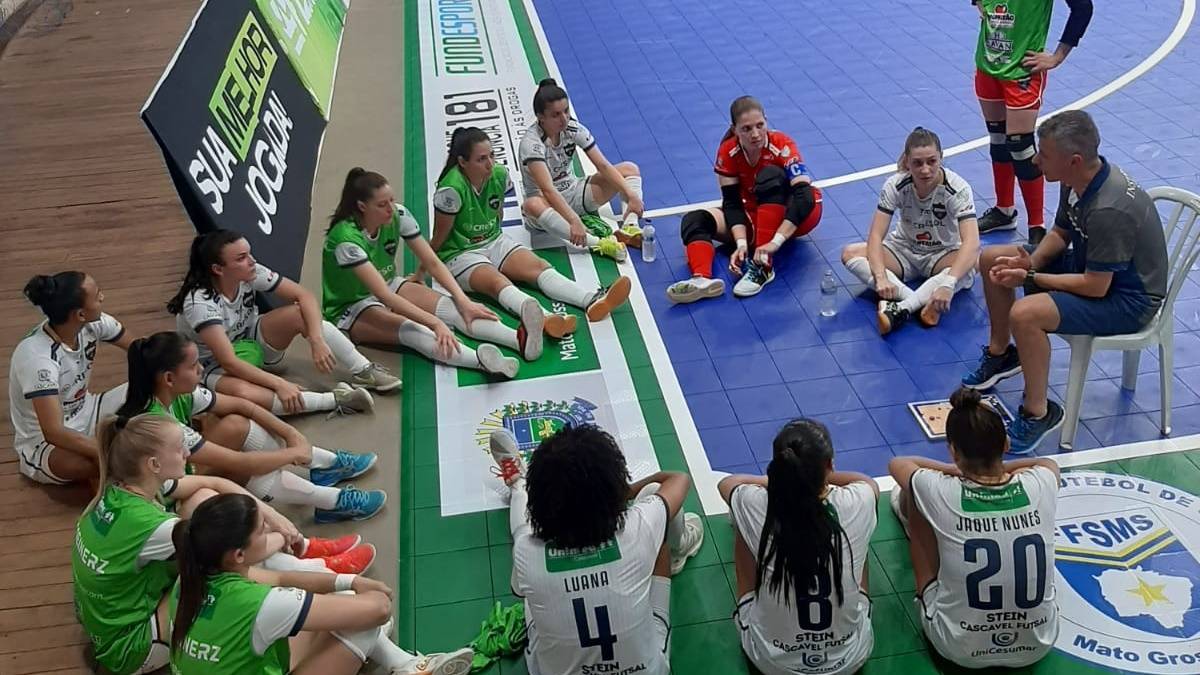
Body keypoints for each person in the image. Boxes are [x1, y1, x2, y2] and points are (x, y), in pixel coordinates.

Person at [73, 414, 361, 675]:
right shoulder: (152, 527)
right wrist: (282, 534)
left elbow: (213, 483)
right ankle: (312, 570)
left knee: (203, 500)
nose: (187, 453)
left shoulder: (125, 486)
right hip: (130, 648)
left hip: (111, 620)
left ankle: (308, 563)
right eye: (178, 448)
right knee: (225, 561)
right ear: (154, 464)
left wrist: (273, 517)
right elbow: (232, 548)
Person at [963, 110, 1168, 453]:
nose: (1036, 160)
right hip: (1096, 269)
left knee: (1025, 314)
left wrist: (1030, 276)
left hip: (1127, 298)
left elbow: (1095, 287)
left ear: (1073, 160)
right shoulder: (1078, 179)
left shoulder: (1108, 208)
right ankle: (1002, 354)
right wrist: (1031, 260)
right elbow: (1061, 231)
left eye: (1043, 154)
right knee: (991, 259)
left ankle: (1039, 411)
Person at [169, 492, 474, 675]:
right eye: (262, 533)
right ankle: (406, 665)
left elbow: (280, 577)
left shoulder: (189, 579)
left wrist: (348, 580)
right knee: (365, 620)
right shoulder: (258, 604)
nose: (269, 536)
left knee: (335, 606)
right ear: (238, 555)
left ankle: (406, 665)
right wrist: (360, 590)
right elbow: (379, 609)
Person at [490, 426, 704, 675]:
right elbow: (678, 479)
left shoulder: (529, 551)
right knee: (656, 503)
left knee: (527, 557)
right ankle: (678, 551)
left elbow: (519, 591)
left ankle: (518, 484)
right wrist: (621, 493)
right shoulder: (637, 528)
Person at [117, 331, 387, 524]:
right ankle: (331, 501)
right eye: (193, 366)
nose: (201, 369)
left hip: (178, 474)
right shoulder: (160, 425)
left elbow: (244, 407)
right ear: (169, 378)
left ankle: (325, 465)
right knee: (243, 470)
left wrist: (293, 435)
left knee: (237, 425)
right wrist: (293, 454)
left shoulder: (176, 393)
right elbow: (238, 462)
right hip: (169, 505)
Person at [888, 387, 1061, 669]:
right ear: (1005, 444)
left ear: (954, 452)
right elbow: (1047, 463)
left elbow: (899, 464)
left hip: (959, 648)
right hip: (1038, 644)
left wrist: (955, 471)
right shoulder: (1041, 481)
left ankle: (924, 592)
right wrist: (1001, 470)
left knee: (917, 498)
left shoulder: (939, 489)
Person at [323, 167, 530, 378]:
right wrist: (435, 323)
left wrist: (463, 300)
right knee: (416, 331)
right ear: (362, 207)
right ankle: (482, 362)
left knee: (454, 308)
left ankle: (520, 340)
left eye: (392, 200)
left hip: (389, 283)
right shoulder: (345, 241)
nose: (390, 209)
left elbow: (432, 261)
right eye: (382, 205)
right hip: (352, 307)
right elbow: (384, 296)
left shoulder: (398, 215)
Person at [166, 230, 383, 418]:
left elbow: (304, 295)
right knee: (243, 393)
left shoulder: (251, 271)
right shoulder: (200, 303)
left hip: (252, 340)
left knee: (300, 314)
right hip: (214, 367)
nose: (252, 261)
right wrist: (279, 384)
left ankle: (365, 370)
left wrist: (316, 339)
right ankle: (337, 400)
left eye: (249, 253)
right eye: (241, 258)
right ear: (218, 269)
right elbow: (229, 362)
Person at [718, 420, 877, 675]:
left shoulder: (756, 504)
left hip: (772, 663)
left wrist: (782, 481)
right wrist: (815, 477)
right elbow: (867, 483)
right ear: (829, 465)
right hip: (847, 660)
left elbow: (727, 484)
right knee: (859, 530)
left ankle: (747, 601)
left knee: (740, 519)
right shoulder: (858, 501)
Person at [434, 127, 632, 332]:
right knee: (497, 282)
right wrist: (427, 268)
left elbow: (497, 214)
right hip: (460, 254)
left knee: (539, 267)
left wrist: (497, 246)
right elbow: (440, 235)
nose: (490, 163)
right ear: (462, 162)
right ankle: (546, 319)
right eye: (481, 159)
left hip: (493, 240)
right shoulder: (450, 191)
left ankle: (591, 300)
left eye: (492, 155)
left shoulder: (499, 175)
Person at [668, 96, 823, 302]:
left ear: (767, 121)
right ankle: (701, 279)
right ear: (734, 130)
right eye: (747, 129)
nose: (756, 134)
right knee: (694, 220)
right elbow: (731, 203)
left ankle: (762, 266)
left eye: (760, 125)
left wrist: (775, 243)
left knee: (770, 176)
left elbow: (804, 197)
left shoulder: (782, 144)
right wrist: (740, 243)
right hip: (757, 214)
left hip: (799, 213)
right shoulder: (728, 151)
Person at [972, 0, 1094, 243]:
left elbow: (1083, 7)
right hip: (988, 63)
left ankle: (1036, 225)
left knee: (1020, 146)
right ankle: (1004, 210)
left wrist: (1057, 57)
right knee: (998, 139)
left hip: (1022, 70)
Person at [840, 127, 981, 334]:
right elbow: (876, 236)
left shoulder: (958, 189)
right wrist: (880, 276)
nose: (925, 170)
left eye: (931, 161)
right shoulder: (895, 184)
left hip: (942, 254)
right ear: (907, 161)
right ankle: (917, 303)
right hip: (903, 251)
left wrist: (949, 284)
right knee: (850, 253)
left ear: (941, 157)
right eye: (918, 163)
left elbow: (972, 242)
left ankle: (901, 308)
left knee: (973, 261)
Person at [9, 272, 132, 485]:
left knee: (152, 390)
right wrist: (107, 452)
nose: (102, 297)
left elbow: (143, 350)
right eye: (97, 295)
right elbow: (53, 432)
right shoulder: (38, 358)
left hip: (89, 409)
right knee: (103, 462)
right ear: (81, 315)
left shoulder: (97, 323)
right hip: (45, 443)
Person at [519, 78, 644, 263]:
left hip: (575, 194)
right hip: (548, 206)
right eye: (555, 115)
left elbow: (602, 165)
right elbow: (547, 190)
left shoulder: (572, 128)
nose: (564, 119)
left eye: (566, 111)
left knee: (629, 169)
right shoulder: (532, 144)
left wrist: (630, 194)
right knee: (531, 204)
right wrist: (573, 220)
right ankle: (599, 244)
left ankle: (630, 226)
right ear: (540, 117)